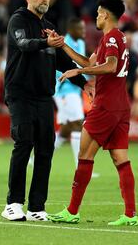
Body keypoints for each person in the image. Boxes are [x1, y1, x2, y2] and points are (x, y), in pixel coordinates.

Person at [1, 0, 91, 222]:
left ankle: (36, 208)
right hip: (20, 93)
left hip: (43, 96)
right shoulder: (18, 20)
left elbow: (63, 63)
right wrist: (45, 42)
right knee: (24, 143)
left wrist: (84, 84)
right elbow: (23, 44)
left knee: (45, 150)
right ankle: (13, 204)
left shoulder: (49, 26)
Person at [47, 0, 138, 226]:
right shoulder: (118, 37)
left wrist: (77, 74)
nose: (96, 17)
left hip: (106, 106)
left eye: (98, 13)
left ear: (106, 14)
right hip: (121, 107)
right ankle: (130, 215)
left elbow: (110, 66)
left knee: (84, 156)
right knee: (120, 159)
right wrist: (63, 45)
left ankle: (72, 211)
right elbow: (88, 64)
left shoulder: (110, 38)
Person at [53, 18, 87, 165]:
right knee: (78, 124)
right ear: (71, 30)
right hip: (64, 90)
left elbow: (81, 65)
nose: (83, 32)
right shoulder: (62, 43)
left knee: (65, 130)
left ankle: (34, 158)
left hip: (76, 89)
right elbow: (60, 68)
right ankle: (81, 166)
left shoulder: (80, 43)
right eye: (80, 29)